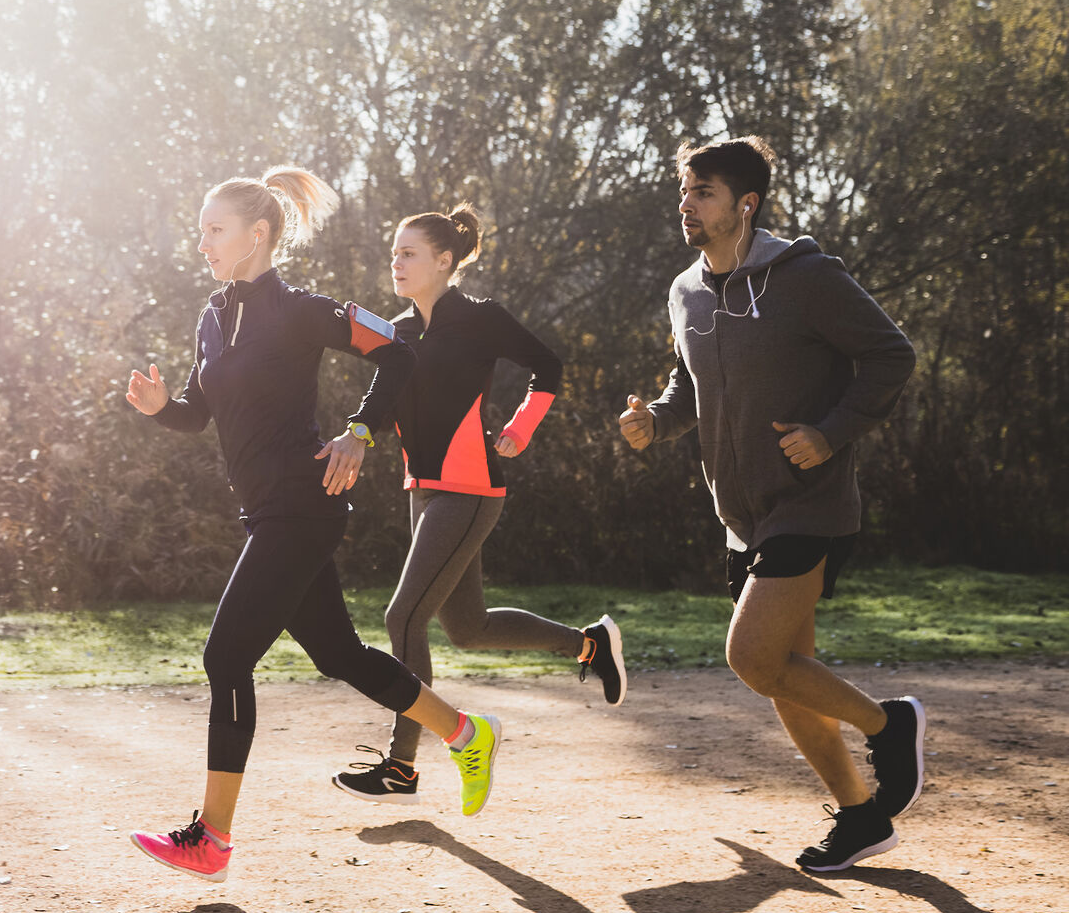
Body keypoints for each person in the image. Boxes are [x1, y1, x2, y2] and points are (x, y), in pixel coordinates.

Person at [124, 167, 503, 883]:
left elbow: (399, 350)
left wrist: (361, 431)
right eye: (201, 229)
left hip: (305, 503)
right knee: (339, 654)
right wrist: (159, 408)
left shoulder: (300, 310)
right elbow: (197, 413)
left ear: (257, 234)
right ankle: (464, 732)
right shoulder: (212, 318)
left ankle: (213, 837)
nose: (201, 242)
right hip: (267, 512)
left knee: (225, 657)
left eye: (215, 230)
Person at [617, 137, 923, 874]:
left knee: (752, 657)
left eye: (704, 193)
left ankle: (891, 726)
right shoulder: (685, 290)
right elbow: (688, 382)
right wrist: (656, 419)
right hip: (740, 512)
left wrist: (831, 433)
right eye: (684, 191)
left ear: (744, 204)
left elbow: (892, 353)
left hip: (810, 501)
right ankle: (859, 816)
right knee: (787, 669)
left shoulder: (806, 277)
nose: (686, 205)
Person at [331, 204, 627, 806]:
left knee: (403, 618)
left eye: (409, 253)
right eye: (394, 252)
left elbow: (548, 366)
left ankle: (401, 767)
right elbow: (387, 409)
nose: (397, 262)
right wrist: (351, 435)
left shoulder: (480, 318)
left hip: (470, 488)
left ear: (445, 261)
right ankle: (589, 644)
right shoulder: (399, 332)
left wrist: (522, 426)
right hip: (423, 489)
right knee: (466, 627)